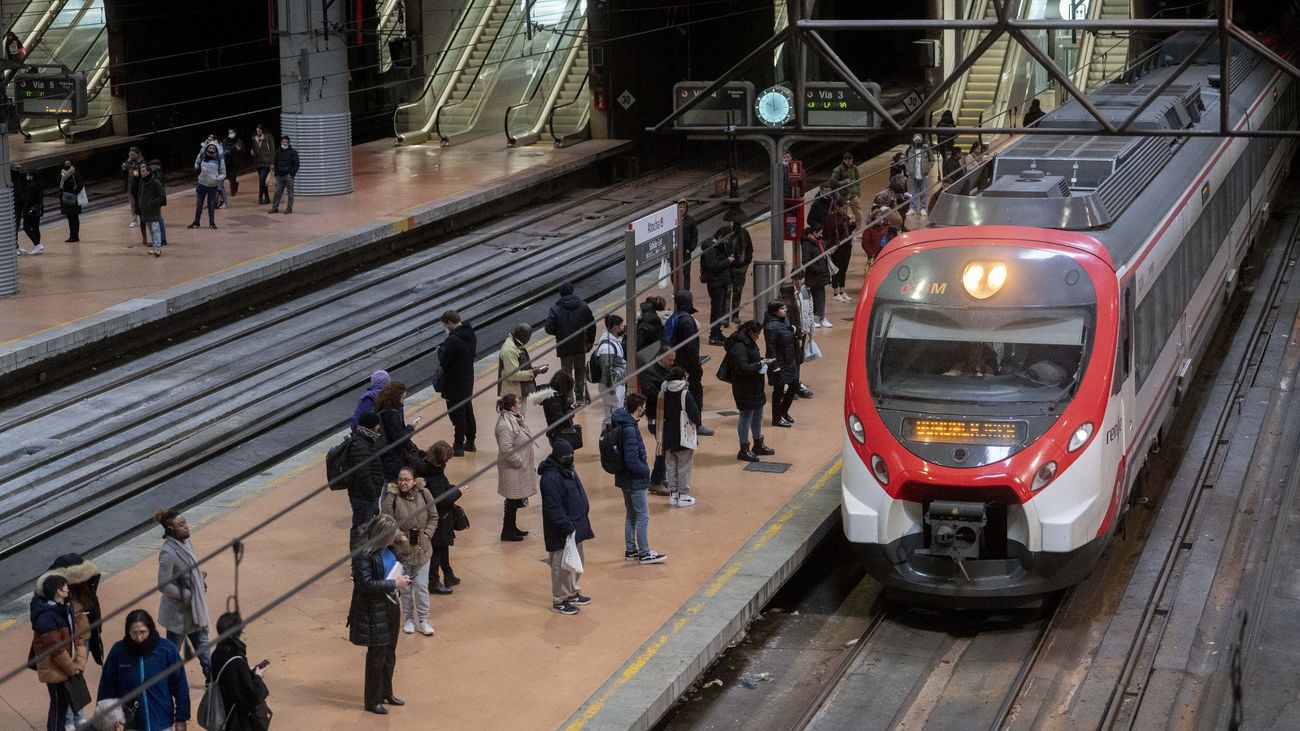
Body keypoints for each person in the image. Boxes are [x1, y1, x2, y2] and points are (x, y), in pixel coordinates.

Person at [348, 514, 412, 715]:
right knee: (376, 657)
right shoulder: (362, 554)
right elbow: (365, 584)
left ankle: (386, 692)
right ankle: (372, 700)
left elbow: (402, 560)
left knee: (390, 653)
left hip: (391, 605)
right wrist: (394, 583)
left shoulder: (390, 547)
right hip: (373, 610)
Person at [97, 609, 190, 731]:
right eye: (134, 633)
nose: (139, 637)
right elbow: (106, 688)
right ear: (127, 632)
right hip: (129, 725)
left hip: (161, 723)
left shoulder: (167, 650)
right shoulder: (118, 652)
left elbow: (180, 687)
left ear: (150, 630)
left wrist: (181, 718)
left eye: (143, 632)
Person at [152, 509, 212, 684]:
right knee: (172, 652)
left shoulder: (186, 544)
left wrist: (199, 578)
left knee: (203, 645)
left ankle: (211, 680)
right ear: (171, 530)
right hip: (178, 614)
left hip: (194, 609)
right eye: (181, 525)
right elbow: (163, 584)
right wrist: (185, 594)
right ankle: (166, 682)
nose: (186, 527)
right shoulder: (168, 553)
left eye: (185, 522)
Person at [539, 439, 594, 615]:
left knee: (576, 562)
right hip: (562, 530)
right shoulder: (550, 478)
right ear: (558, 457)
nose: (570, 457)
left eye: (572, 454)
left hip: (575, 526)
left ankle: (571, 592)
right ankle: (559, 600)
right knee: (561, 566)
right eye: (566, 455)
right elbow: (553, 507)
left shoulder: (568, 469)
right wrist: (567, 526)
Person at [381, 466, 438, 636]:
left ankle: (423, 619)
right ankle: (408, 619)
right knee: (405, 588)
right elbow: (386, 521)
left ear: (414, 481)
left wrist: (427, 535)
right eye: (400, 479)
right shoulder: (392, 497)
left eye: (406, 479)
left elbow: (433, 516)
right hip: (402, 552)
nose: (403, 483)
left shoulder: (424, 493)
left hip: (423, 550)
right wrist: (400, 536)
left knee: (421, 585)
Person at [611, 393, 667, 564]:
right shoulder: (629, 429)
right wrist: (646, 471)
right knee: (643, 516)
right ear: (639, 408)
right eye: (643, 406)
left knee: (631, 514)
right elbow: (632, 459)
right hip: (634, 479)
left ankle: (631, 550)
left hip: (624, 479)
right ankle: (644, 553)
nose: (644, 409)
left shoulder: (622, 423)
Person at [30, 574, 87, 731]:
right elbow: (56, 650)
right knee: (58, 707)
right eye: (65, 586)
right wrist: (72, 668)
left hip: (66, 666)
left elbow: (76, 634)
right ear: (58, 591)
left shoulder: (65, 608)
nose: (68, 588)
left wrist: (79, 661)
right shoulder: (46, 617)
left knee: (62, 705)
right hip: (55, 669)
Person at [411, 441, 462, 593]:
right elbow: (440, 499)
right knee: (437, 550)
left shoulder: (423, 466)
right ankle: (434, 582)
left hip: (428, 516)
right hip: (436, 518)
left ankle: (448, 574)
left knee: (443, 546)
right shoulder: (434, 475)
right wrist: (456, 491)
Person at [207, 612, 269, 731]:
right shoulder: (236, 659)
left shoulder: (217, 652)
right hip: (235, 718)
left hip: (220, 710)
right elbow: (250, 695)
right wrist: (257, 676)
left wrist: (248, 672)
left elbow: (232, 679)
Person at [663, 290, 712, 435]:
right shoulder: (687, 321)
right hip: (688, 366)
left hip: (676, 364)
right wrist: (697, 367)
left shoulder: (674, 317)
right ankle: (697, 425)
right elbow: (691, 348)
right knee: (695, 395)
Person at [726, 320, 775, 462]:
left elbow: (751, 360)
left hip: (755, 386)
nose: (758, 337)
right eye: (757, 334)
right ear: (750, 333)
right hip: (744, 388)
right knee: (745, 417)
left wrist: (761, 360)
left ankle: (758, 443)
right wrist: (760, 363)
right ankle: (744, 449)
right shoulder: (739, 347)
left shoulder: (749, 342)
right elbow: (743, 368)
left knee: (758, 414)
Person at [543, 282, 597, 404]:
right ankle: (580, 397)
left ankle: (569, 398)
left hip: (565, 346)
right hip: (580, 345)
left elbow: (548, 328)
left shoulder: (555, 309)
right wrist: (590, 340)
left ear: (560, 293)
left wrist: (559, 333)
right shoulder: (583, 306)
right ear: (572, 291)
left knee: (566, 372)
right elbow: (591, 325)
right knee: (580, 370)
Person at [656, 365, 700, 507]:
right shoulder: (684, 393)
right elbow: (694, 415)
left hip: (667, 435)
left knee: (670, 465)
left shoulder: (663, 392)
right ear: (683, 377)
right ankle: (683, 495)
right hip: (683, 436)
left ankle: (673, 495)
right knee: (684, 466)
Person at [494, 393, 536, 541]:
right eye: (518, 404)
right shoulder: (505, 425)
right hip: (512, 469)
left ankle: (512, 527)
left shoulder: (514, 419)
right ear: (512, 407)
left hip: (517, 469)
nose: (520, 405)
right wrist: (520, 462)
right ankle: (507, 531)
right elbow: (506, 450)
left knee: (514, 500)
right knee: (511, 500)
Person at [438, 311, 477, 456]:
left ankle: (458, 445)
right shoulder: (471, 334)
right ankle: (471, 442)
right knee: (468, 411)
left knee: (457, 415)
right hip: (467, 380)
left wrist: (440, 350)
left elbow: (444, 360)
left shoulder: (452, 340)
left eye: (444, 325)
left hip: (453, 383)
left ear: (449, 323)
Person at [348, 411, 387, 550]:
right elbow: (363, 475)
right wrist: (373, 495)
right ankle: (358, 563)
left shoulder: (367, 440)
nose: (379, 428)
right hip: (363, 496)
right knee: (360, 530)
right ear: (371, 426)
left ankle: (363, 561)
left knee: (365, 528)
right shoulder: (360, 445)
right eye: (377, 425)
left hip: (367, 495)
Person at [641, 347, 676, 496]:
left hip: (667, 417)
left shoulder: (669, 370)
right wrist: (669, 390)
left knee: (666, 448)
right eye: (669, 360)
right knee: (663, 448)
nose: (672, 363)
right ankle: (655, 481)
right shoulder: (649, 372)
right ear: (660, 357)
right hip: (655, 418)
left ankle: (660, 477)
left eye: (673, 360)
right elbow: (650, 393)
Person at [763, 301, 800, 427]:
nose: (785, 310)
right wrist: (775, 367)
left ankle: (783, 411)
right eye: (782, 308)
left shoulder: (785, 320)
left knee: (794, 385)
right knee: (778, 390)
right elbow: (770, 348)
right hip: (779, 362)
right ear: (775, 311)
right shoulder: (770, 327)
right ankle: (776, 418)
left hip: (789, 359)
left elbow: (787, 333)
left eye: (785, 308)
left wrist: (792, 330)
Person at [498, 324, 546, 413]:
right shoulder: (510, 350)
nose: (529, 339)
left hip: (517, 391)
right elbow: (512, 374)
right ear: (522, 335)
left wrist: (535, 370)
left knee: (519, 421)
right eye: (528, 337)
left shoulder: (516, 345)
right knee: (516, 422)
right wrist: (533, 372)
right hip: (514, 394)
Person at [374, 381, 414, 482]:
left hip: (385, 454)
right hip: (394, 458)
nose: (403, 401)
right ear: (397, 398)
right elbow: (399, 439)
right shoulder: (392, 415)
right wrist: (410, 428)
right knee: (393, 488)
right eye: (402, 398)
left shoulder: (380, 409)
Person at [700, 226, 734, 346]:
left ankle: (717, 332)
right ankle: (713, 336)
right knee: (716, 310)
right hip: (715, 283)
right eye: (726, 238)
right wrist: (727, 261)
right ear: (720, 237)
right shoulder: (710, 249)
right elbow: (713, 265)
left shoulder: (719, 247)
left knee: (720, 310)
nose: (727, 241)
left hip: (722, 281)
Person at [593, 313, 628, 425]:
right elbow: (606, 371)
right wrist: (612, 391)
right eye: (622, 326)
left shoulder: (613, 342)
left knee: (615, 415)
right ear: (616, 327)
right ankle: (608, 439)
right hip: (611, 386)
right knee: (612, 417)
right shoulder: (607, 347)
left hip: (616, 384)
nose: (623, 328)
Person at [800, 223, 833, 329]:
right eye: (820, 233)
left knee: (820, 297)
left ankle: (822, 317)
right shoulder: (807, 244)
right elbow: (805, 260)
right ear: (814, 233)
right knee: (811, 299)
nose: (821, 235)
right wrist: (817, 269)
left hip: (821, 276)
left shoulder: (820, 243)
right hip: (813, 276)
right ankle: (812, 318)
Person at [540, 370, 581, 451]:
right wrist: (572, 409)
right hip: (559, 435)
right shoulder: (554, 401)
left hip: (555, 433)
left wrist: (569, 405)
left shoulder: (553, 397)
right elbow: (561, 419)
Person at [825, 198, 855, 303]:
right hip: (837, 246)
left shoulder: (845, 217)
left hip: (847, 245)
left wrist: (852, 224)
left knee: (844, 268)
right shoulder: (831, 218)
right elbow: (833, 229)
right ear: (837, 207)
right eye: (843, 208)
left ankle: (842, 290)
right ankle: (835, 291)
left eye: (846, 208)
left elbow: (848, 230)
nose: (845, 210)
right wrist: (845, 221)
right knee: (836, 269)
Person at [189, 143, 223, 229]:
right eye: (210, 148)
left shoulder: (219, 159)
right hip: (202, 184)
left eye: (213, 148)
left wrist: (218, 178)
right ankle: (196, 222)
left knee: (211, 204)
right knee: (199, 204)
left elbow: (223, 173)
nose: (211, 149)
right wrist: (198, 169)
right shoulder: (201, 156)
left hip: (213, 185)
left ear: (215, 150)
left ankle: (212, 223)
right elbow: (196, 164)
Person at [727, 219, 754, 325]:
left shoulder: (745, 233)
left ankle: (735, 315)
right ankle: (725, 316)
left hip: (741, 267)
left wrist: (746, 264)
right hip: (729, 267)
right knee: (728, 291)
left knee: (737, 292)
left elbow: (750, 250)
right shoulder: (727, 233)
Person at [634, 296, 667, 380]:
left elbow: (635, 343)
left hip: (646, 356)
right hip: (657, 353)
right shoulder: (663, 319)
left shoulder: (644, 324)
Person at [138, 161, 167, 257]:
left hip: (153, 209)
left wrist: (153, 203)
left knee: (155, 228)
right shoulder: (142, 181)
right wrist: (140, 204)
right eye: (141, 171)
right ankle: (154, 246)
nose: (141, 173)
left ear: (148, 172)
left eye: (143, 171)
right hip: (145, 208)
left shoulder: (155, 181)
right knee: (150, 228)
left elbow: (162, 195)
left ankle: (158, 248)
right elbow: (139, 193)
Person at [828, 151, 861, 228]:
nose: (850, 163)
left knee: (858, 214)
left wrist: (858, 192)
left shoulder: (854, 168)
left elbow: (858, 180)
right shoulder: (837, 170)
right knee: (843, 214)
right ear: (844, 160)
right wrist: (844, 182)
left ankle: (858, 229)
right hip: (842, 196)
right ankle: (845, 230)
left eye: (851, 161)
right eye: (849, 161)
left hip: (853, 195)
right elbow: (833, 182)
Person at [269, 136, 299, 214]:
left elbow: (296, 164)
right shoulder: (278, 152)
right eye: (283, 142)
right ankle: (275, 208)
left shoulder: (293, 152)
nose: (285, 143)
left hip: (288, 176)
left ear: (289, 143)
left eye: (286, 142)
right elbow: (275, 162)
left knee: (290, 193)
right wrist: (276, 173)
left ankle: (289, 209)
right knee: (277, 192)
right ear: (281, 142)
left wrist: (291, 174)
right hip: (279, 176)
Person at [904, 134, 933, 215]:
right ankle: (913, 208)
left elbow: (932, 160)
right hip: (913, 175)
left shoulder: (926, 149)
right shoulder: (909, 150)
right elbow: (905, 160)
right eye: (916, 141)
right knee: (913, 192)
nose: (918, 142)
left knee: (923, 192)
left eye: (919, 140)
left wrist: (927, 168)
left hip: (924, 175)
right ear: (913, 141)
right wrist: (908, 168)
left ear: (922, 141)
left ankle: (923, 208)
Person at [18, 170, 43, 255]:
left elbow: (29, 200)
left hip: (30, 210)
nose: (27, 177)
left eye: (28, 175)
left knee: (26, 227)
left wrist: (24, 210)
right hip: (38, 208)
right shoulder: (40, 184)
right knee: (36, 227)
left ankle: (37, 245)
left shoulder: (31, 186)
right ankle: (37, 246)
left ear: (32, 176)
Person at [59, 161, 83, 242]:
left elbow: (80, 185)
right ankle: (72, 235)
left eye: (68, 163)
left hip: (73, 199)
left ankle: (75, 236)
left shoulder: (75, 173)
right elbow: (60, 185)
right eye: (65, 163)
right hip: (66, 199)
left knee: (74, 218)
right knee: (70, 217)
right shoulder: (62, 174)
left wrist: (73, 193)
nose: (67, 165)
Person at [677, 199, 699, 286]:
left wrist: (691, 248)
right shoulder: (673, 219)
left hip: (686, 251)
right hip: (675, 252)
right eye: (680, 207)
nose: (682, 209)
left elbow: (695, 235)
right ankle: (677, 289)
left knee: (686, 272)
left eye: (684, 207)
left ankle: (686, 292)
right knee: (674, 273)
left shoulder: (691, 220)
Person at [121, 147, 144, 228]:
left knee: (140, 202)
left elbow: (139, 173)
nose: (131, 156)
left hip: (138, 186)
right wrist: (124, 168)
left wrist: (132, 167)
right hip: (130, 186)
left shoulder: (141, 162)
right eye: (130, 154)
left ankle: (144, 218)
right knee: (132, 204)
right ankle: (134, 220)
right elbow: (124, 171)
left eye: (133, 155)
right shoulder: (128, 161)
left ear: (137, 154)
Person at [221, 128, 244, 202]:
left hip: (235, 162)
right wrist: (226, 151)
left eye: (231, 132)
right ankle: (235, 184)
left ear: (235, 133)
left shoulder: (239, 141)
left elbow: (243, 150)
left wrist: (238, 150)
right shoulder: (225, 140)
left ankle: (232, 191)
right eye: (229, 132)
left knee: (232, 175)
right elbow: (223, 149)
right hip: (227, 161)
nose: (230, 134)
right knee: (228, 176)